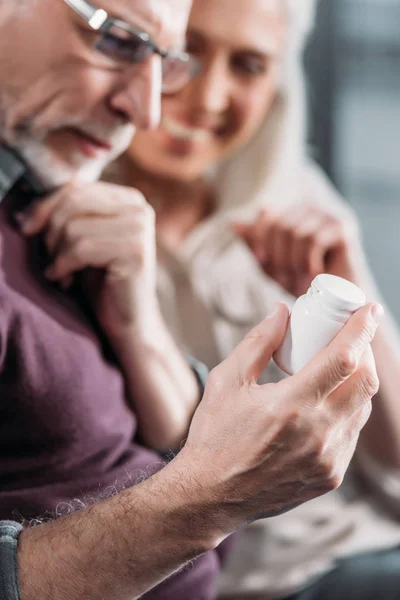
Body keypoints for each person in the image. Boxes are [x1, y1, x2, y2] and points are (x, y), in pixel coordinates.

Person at [0, 0, 382, 599]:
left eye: (165, 58)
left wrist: (138, 324)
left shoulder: (287, 198)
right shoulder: (66, 188)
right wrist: (212, 498)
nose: (155, 108)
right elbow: (197, 484)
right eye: (120, 39)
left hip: (340, 549)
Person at [110, 0, 400, 598]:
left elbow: (396, 458)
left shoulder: (295, 199)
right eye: (183, 52)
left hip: (353, 555)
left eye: (247, 64)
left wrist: (354, 295)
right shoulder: (71, 221)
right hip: (226, 580)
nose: (208, 96)